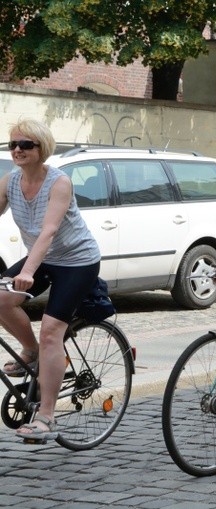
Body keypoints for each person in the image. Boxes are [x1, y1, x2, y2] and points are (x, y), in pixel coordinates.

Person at [0, 119, 101, 442]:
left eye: (25, 145)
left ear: (41, 148)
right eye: (13, 144)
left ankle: (46, 417)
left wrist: (27, 271)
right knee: (1, 299)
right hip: (43, 258)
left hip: (76, 262)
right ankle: (30, 351)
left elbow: (49, 231)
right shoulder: (9, 182)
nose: (17, 150)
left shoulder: (59, 182)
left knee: (51, 332)